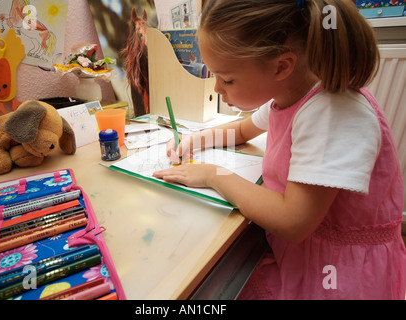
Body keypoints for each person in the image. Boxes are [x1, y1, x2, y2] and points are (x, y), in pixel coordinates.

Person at [153, 0, 406, 299]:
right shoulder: (288, 92)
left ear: (281, 66)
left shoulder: (332, 112)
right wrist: (197, 138)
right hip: (301, 249)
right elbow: (243, 129)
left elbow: (293, 221)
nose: (217, 89)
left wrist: (214, 175)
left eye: (227, 78)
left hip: (335, 272)